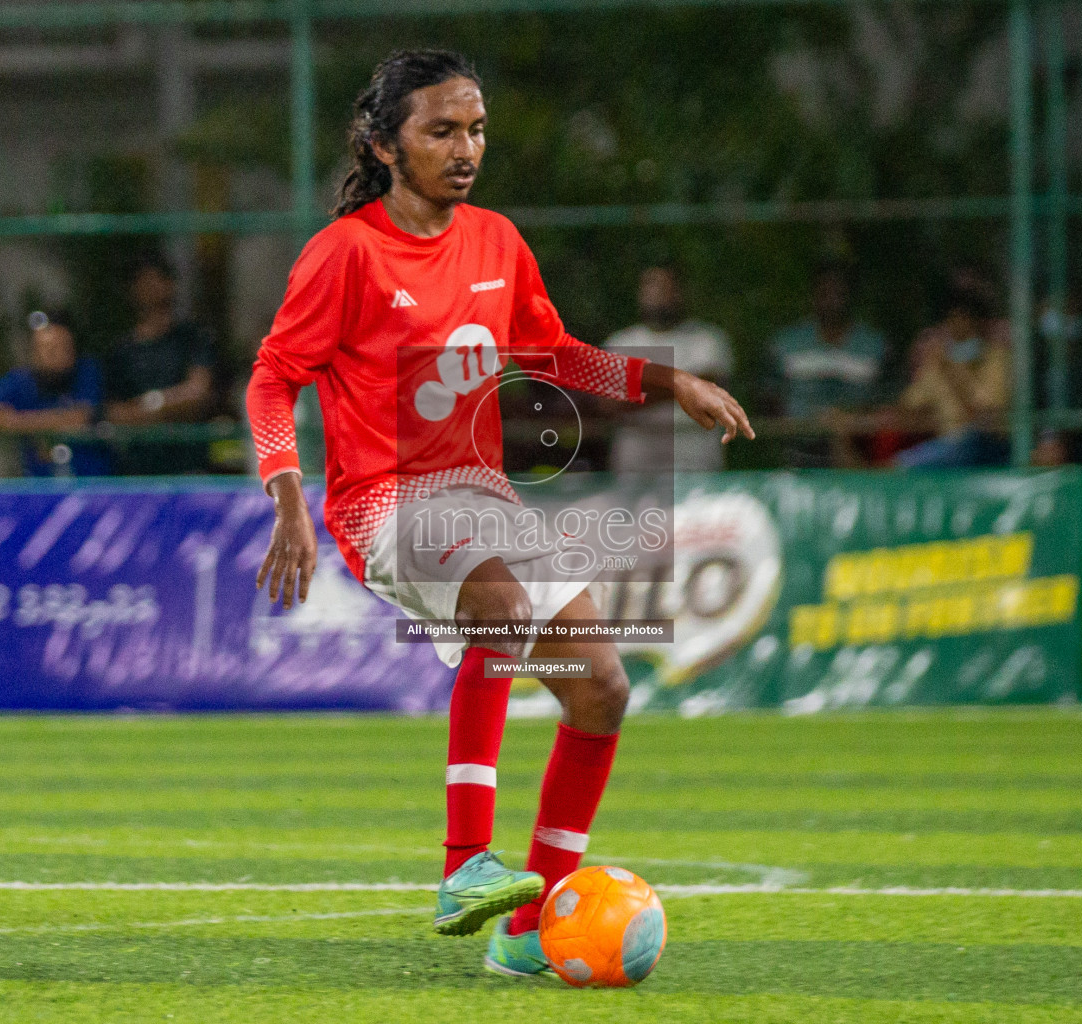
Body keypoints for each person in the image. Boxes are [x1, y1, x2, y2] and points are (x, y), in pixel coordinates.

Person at [246, 50, 753, 977]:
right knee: (505, 612)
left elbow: (553, 354)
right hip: (388, 505)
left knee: (600, 686)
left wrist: (667, 378)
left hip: (483, 499)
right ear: (384, 145)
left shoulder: (496, 240)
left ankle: (532, 933)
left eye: (476, 129)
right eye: (441, 130)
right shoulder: (346, 253)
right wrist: (285, 492)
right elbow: (275, 378)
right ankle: (463, 867)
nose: (465, 147)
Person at [602, 265, 733, 472]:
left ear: (680, 292)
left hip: (696, 462)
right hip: (636, 466)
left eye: (666, 286)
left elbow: (708, 391)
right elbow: (609, 402)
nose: (658, 293)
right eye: (651, 285)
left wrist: (639, 388)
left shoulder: (707, 339)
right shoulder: (620, 342)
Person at [0, 310, 110, 477]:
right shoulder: (22, 380)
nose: (51, 355)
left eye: (60, 347)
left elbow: (80, 417)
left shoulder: (87, 371)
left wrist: (15, 422)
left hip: (93, 483)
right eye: (44, 348)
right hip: (41, 485)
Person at [103, 255, 215, 475]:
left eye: (157, 279)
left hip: (188, 466)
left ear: (171, 285)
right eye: (143, 281)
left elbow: (198, 394)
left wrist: (150, 405)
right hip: (140, 470)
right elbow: (115, 413)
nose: (151, 288)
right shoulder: (122, 350)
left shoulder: (192, 337)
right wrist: (169, 407)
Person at [770, 260, 887, 466]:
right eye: (825, 292)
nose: (832, 300)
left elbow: (887, 399)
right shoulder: (787, 344)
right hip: (800, 451)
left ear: (851, 296)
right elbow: (768, 397)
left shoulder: (874, 345)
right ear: (814, 296)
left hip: (860, 454)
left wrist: (852, 419)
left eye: (839, 292)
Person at [892, 279, 1012, 468]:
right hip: (949, 446)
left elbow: (985, 419)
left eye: (966, 322)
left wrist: (954, 374)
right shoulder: (938, 360)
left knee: (905, 466)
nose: (959, 329)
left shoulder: (997, 359)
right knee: (893, 464)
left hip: (986, 445)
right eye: (953, 322)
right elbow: (909, 407)